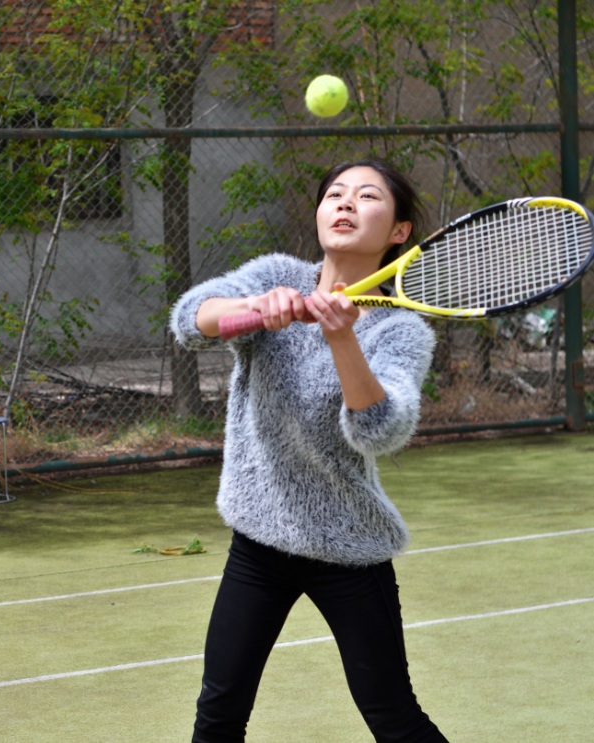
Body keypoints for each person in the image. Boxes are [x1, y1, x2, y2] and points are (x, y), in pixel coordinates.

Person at [170, 158, 449, 743]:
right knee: (217, 715)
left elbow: (380, 430)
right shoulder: (278, 274)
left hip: (349, 549)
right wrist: (256, 310)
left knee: (393, 718)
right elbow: (191, 319)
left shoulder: (400, 330)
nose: (345, 203)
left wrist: (340, 335)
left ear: (399, 230)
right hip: (258, 542)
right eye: (335, 194)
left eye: (367, 196)